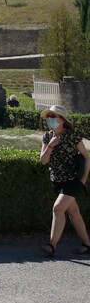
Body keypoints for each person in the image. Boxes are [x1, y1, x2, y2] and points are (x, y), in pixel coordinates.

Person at [38, 105, 90, 257]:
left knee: (58, 208)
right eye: (49, 116)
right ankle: (87, 244)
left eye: (53, 116)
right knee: (74, 212)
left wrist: (83, 179)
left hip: (73, 180)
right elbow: (43, 160)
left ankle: (52, 245)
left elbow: (86, 157)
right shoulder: (47, 137)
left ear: (62, 120)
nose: (50, 119)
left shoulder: (72, 136)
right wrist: (51, 145)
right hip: (57, 180)